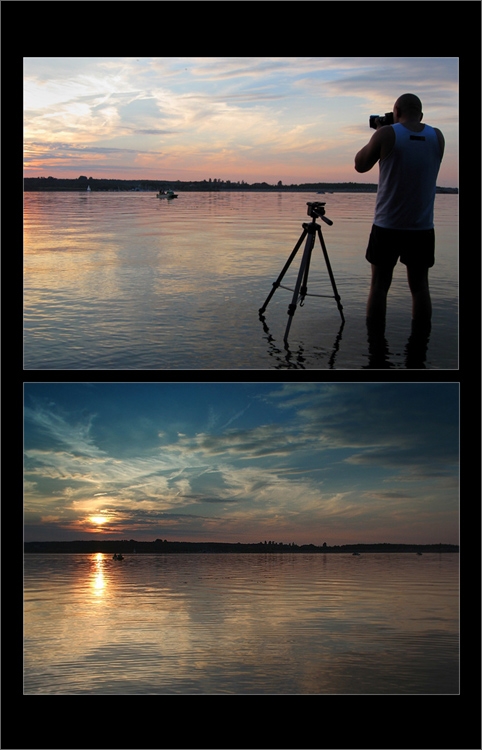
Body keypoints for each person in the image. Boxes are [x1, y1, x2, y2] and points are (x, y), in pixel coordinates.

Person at [354, 93, 445, 329]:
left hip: (387, 225)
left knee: (379, 287)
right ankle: (420, 347)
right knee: (420, 287)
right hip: (422, 226)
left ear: (396, 111)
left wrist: (380, 131)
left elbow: (360, 165)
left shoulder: (386, 134)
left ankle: (375, 347)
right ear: (421, 114)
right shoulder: (437, 137)